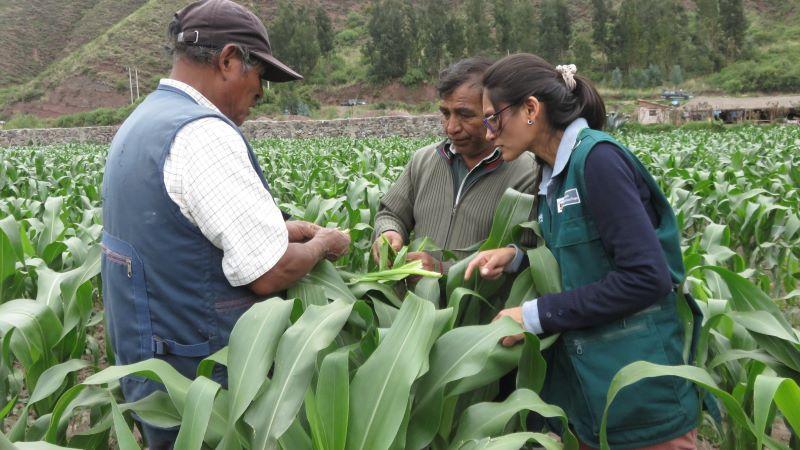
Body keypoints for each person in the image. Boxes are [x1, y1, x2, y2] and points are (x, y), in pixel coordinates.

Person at [101, 1, 349, 447]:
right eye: (260, 76)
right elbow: (269, 272)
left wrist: (278, 229)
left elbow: (178, 230)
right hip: (205, 383)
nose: (262, 93)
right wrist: (323, 243)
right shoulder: (202, 133)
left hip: (152, 370)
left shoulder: (144, 121)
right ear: (229, 60)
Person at [465, 53, 701, 449]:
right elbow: (583, 257)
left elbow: (647, 277)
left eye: (493, 118)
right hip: (589, 398)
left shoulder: (598, 161)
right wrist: (518, 258)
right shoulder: (552, 173)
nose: (488, 134)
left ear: (531, 110)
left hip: (639, 400)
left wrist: (533, 316)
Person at [372, 57, 538, 275]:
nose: (451, 128)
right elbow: (391, 213)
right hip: (414, 298)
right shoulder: (423, 161)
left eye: (465, 115)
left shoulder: (528, 174)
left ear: (493, 113)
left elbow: (529, 257)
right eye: (445, 113)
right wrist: (388, 233)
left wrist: (443, 271)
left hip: (477, 298)